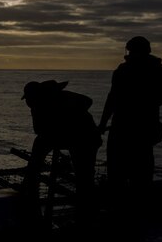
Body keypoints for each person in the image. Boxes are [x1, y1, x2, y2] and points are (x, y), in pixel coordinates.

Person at [98, 36, 162, 211]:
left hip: (123, 128)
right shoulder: (159, 70)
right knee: (142, 172)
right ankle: (137, 210)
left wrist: (102, 124)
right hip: (144, 129)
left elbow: (112, 99)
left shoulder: (123, 70)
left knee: (118, 172)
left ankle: (122, 211)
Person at [21, 80, 102, 224]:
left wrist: (66, 115)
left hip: (85, 137)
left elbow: (88, 101)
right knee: (39, 144)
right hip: (63, 135)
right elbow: (39, 131)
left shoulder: (63, 98)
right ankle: (29, 186)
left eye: (29, 98)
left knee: (84, 176)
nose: (28, 102)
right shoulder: (37, 107)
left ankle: (86, 215)